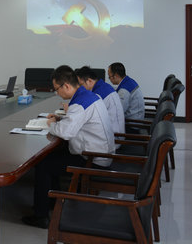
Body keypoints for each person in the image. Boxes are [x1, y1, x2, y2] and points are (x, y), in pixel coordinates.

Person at [22, 65, 115, 228]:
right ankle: (51, 201)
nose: (56, 93)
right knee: (49, 157)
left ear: (66, 85)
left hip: (93, 159)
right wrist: (59, 120)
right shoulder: (89, 95)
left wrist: (51, 124)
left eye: (56, 89)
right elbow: (78, 121)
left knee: (43, 165)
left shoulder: (79, 103)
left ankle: (41, 215)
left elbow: (65, 132)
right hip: (98, 152)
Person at [75, 66, 125, 144]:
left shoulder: (98, 94)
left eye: (80, 85)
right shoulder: (104, 87)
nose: (79, 88)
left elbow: (84, 117)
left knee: (72, 137)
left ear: (89, 81)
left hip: (113, 138)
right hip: (114, 134)